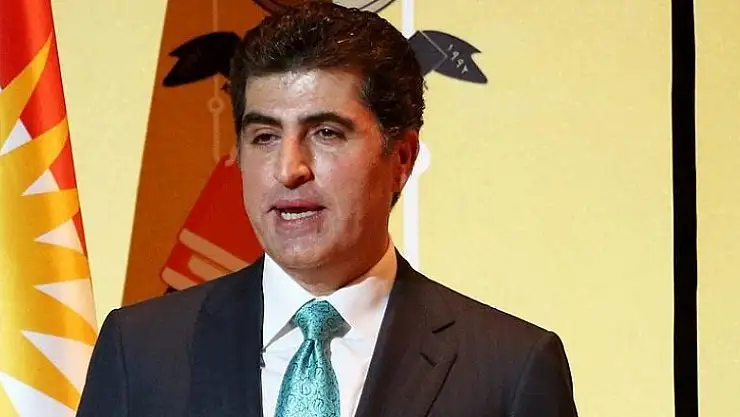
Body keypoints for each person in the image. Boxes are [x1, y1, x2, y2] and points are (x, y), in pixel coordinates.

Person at [76, 3, 578, 417]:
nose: (289, 169)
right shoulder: (139, 351)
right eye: (265, 136)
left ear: (402, 158)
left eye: (326, 133)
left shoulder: (509, 369)